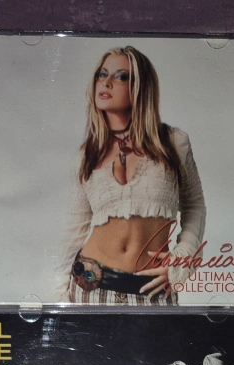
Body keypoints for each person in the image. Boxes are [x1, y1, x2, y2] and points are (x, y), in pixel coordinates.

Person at [57, 46, 206, 305]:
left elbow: (194, 206)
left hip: (152, 290)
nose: (106, 82)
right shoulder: (86, 155)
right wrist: (60, 297)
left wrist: (182, 259)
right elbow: (75, 228)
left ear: (141, 86)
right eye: (102, 74)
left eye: (121, 76)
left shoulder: (173, 142)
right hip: (88, 288)